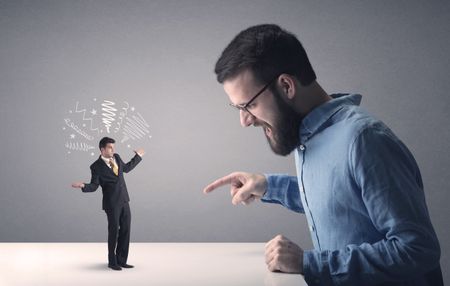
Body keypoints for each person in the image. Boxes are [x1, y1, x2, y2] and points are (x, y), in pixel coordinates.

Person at [203, 24, 443, 286]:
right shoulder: (307, 134)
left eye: (248, 105)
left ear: (286, 86)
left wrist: (308, 263)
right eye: (237, 107)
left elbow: (418, 249)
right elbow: (343, 198)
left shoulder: (364, 139)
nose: (245, 121)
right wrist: (267, 185)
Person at [72, 137, 144, 271]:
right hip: (112, 204)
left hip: (124, 200)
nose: (113, 150)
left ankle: (122, 260)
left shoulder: (116, 157)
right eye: (110, 147)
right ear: (102, 149)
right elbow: (94, 186)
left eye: (113, 147)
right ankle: (112, 262)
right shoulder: (96, 166)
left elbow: (126, 168)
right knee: (113, 232)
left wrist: (138, 156)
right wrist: (83, 185)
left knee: (126, 230)